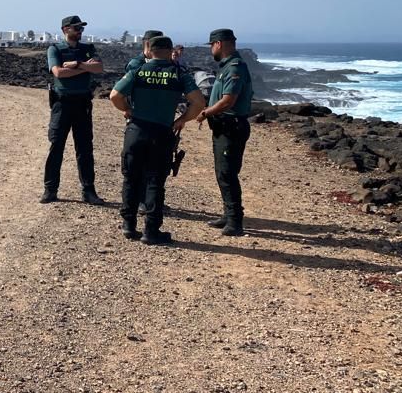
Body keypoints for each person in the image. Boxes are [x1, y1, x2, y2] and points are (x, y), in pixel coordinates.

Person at [110, 36, 205, 244]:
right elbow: (198, 102)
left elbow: (115, 95)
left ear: (149, 50)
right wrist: (182, 120)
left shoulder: (138, 70)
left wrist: (127, 109)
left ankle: (128, 225)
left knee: (131, 178)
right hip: (161, 132)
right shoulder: (179, 73)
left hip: (136, 130)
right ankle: (151, 231)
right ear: (170, 50)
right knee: (155, 181)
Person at [41, 15, 106, 205]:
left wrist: (77, 65)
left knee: (85, 148)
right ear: (65, 29)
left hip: (82, 103)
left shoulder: (88, 49)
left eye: (81, 29)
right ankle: (50, 189)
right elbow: (59, 72)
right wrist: (87, 68)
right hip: (62, 104)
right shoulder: (55, 49)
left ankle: (88, 191)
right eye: (76, 28)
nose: (79, 31)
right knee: (56, 147)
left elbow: (100, 67)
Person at [195, 28, 254, 236]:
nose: (211, 49)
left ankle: (235, 222)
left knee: (227, 173)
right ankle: (228, 215)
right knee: (222, 172)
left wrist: (205, 112)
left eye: (212, 45)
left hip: (232, 127)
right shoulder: (227, 67)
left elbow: (228, 101)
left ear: (219, 44)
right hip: (223, 127)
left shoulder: (235, 67)